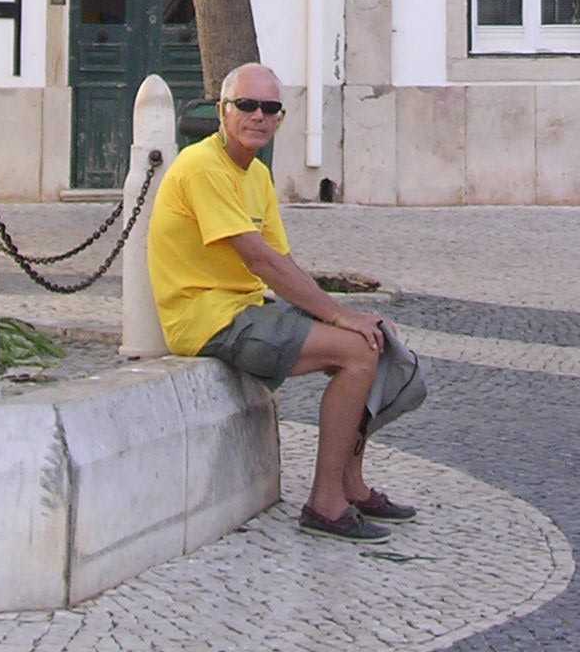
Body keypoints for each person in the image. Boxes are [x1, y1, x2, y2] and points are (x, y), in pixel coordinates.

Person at [147, 61, 416, 542]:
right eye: (246, 106)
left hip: (246, 310)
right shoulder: (202, 166)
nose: (258, 116)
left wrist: (347, 317)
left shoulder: (257, 176)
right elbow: (260, 260)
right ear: (222, 111)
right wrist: (339, 315)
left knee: (374, 342)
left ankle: (350, 485)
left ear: (280, 118)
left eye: (270, 108)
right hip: (206, 319)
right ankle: (324, 504)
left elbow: (281, 260)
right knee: (355, 352)